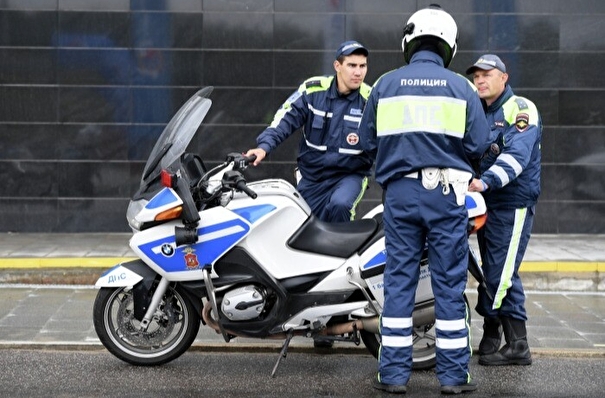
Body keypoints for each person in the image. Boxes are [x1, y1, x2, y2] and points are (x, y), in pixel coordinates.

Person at [358, 4, 491, 395]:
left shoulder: (385, 84)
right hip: (447, 193)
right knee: (448, 284)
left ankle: (394, 376)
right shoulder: (461, 86)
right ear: (448, 44)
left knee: (399, 280)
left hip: (399, 193)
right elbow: (479, 143)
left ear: (409, 41)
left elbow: (366, 142)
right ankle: (452, 378)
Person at [466, 54, 542, 367]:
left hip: (512, 204)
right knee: (492, 268)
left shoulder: (520, 109)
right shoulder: (475, 109)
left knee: (502, 272)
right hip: (485, 204)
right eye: (476, 76)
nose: (480, 80)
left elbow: (516, 157)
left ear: (504, 78)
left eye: (487, 74)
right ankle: (493, 333)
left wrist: (485, 182)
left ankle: (518, 345)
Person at [245, 40, 373, 223]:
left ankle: (340, 249)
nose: (358, 72)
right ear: (337, 65)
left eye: (363, 66)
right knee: (300, 228)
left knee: (340, 205)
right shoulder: (312, 90)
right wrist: (263, 147)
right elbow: (285, 119)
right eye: (352, 65)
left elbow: (387, 139)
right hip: (312, 178)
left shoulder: (371, 99)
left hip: (349, 176)